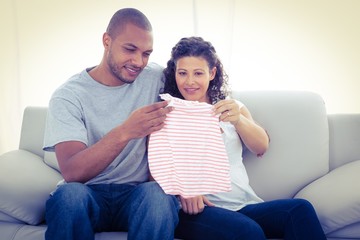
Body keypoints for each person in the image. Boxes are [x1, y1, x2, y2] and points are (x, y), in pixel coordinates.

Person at [162, 36, 327, 240]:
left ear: (212, 73)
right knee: (248, 232)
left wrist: (238, 120)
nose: (189, 82)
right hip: (197, 211)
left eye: (198, 73)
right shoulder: (166, 115)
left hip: (243, 206)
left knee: (299, 209)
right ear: (174, 74)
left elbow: (261, 147)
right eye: (182, 73)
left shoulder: (232, 107)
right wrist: (183, 189)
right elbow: (154, 173)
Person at [42, 8, 179, 240]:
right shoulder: (68, 96)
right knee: (68, 196)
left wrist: (238, 112)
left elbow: (198, 86)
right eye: (130, 49)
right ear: (107, 41)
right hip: (88, 194)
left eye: (146, 53)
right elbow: (72, 172)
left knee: (158, 196)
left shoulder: (155, 78)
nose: (138, 61)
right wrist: (126, 131)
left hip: (137, 195)